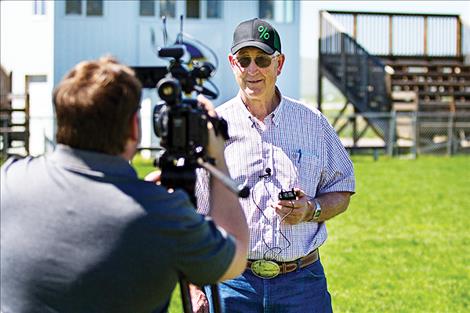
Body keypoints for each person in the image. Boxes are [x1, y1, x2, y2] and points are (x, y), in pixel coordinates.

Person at [0, 57, 249, 313]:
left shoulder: (9, 179)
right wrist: (217, 156)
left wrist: (137, 193)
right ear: (134, 128)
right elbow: (236, 255)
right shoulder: (162, 216)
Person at [194, 18, 355, 313]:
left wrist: (311, 209)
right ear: (233, 63)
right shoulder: (212, 126)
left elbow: (342, 189)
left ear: (279, 64)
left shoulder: (313, 122)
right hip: (232, 283)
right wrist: (193, 285)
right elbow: (192, 213)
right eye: (244, 60)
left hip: (301, 285)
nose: (252, 70)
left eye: (262, 60)